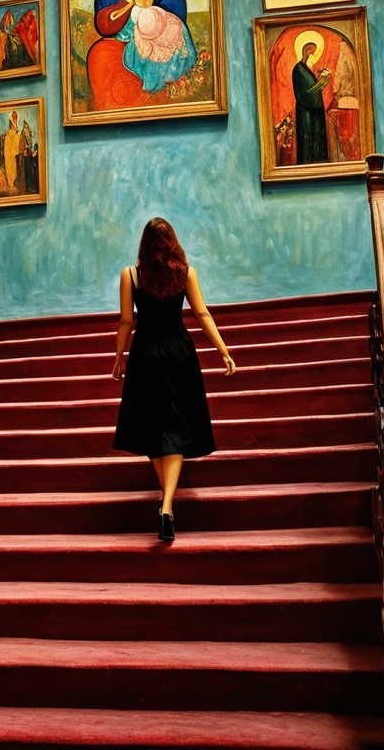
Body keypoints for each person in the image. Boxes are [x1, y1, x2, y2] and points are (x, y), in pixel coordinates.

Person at [112, 218, 236, 543]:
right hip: (179, 352)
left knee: (152, 427)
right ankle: (167, 505)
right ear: (172, 243)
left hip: (145, 353)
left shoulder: (130, 275)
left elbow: (126, 322)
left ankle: (165, 500)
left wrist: (119, 357)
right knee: (177, 425)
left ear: (144, 244)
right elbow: (202, 314)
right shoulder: (186, 273)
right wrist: (224, 351)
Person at [113, 0, 195, 93]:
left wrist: (118, 36)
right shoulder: (156, 9)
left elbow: (126, 34)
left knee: (138, 51)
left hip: (150, 40)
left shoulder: (135, 11)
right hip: (167, 31)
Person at [292, 41, 330, 164]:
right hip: (306, 111)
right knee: (307, 142)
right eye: (313, 53)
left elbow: (312, 87)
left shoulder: (306, 69)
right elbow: (303, 93)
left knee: (317, 143)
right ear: (307, 52)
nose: (314, 56)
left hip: (314, 110)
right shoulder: (299, 70)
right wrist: (321, 84)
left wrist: (322, 80)